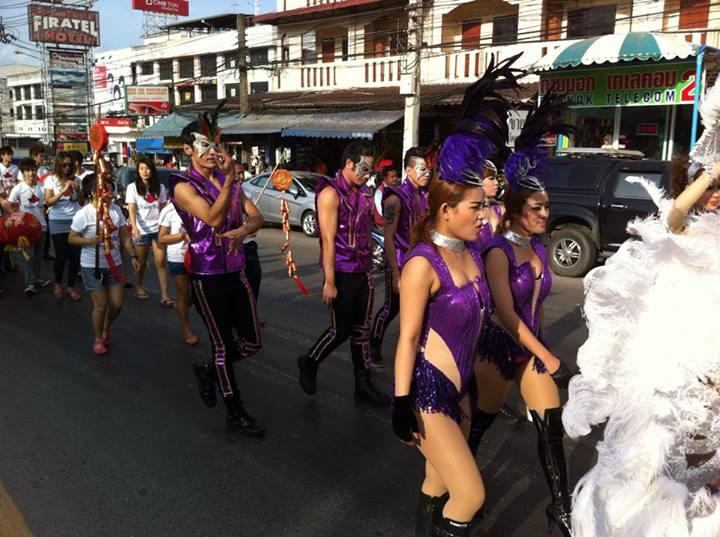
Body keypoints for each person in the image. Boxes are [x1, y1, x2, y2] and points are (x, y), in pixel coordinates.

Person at [562, 84, 720, 536]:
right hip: (679, 349)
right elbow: (676, 213)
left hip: (711, 351)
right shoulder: (682, 230)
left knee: (703, 451)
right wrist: (710, 172)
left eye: (719, 189)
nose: (714, 196)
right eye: (708, 189)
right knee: (661, 443)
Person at [392, 55, 521, 537]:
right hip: (428, 393)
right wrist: (400, 403)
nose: (484, 213)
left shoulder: (471, 253)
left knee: (439, 482)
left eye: (485, 204)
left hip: (460, 389)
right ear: (446, 210)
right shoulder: (422, 264)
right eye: (476, 206)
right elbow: (408, 339)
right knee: (470, 495)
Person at [470, 95, 574, 537]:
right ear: (515, 210)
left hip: (530, 349)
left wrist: (542, 346)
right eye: (537, 208)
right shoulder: (498, 251)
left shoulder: (536, 248)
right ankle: (459, 485)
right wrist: (547, 356)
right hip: (499, 347)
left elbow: (537, 304)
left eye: (547, 207)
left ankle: (561, 510)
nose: (546, 214)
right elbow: (506, 314)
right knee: (481, 423)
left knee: (551, 428)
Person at [170, 114, 265, 437]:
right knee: (222, 345)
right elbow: (211, 218)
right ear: (188, 149)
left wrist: (242, 230)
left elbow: (257, 217)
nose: (212, 151)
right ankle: (234, 410)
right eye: (204, 145)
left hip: (236, 269)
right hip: (207, 275)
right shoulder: (182, 186)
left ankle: (208, 370)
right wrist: (228, 182)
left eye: (215, 145)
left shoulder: (229, 182)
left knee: (252, 342)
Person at [296, 141, 390, 408]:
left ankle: (363, 385)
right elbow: (327, 239)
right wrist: (329, 281)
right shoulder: (330, 193)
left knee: (361, 331)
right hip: (341, 270)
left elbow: (369, 228)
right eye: (363, 168)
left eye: (370, 170)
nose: (366, 175)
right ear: (349, 163)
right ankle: (310, 361)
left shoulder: (365, 193)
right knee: (340, 330)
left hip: (363, 270)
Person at [369, 148, 430, 368]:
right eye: (422, 169)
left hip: (421, 262)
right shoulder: (395, 198)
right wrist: (395, 272)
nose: (427, 174)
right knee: (391, 308)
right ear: (409, 170)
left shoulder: (424, 196)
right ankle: (373, 344)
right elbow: (388, 237)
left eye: (428, 169)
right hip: (401, 261)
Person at [69, 174, 140, 355]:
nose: (111, 194)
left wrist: (133, 255)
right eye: (106, 190)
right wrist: (88, 240)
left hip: (114, 264)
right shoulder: (83, 214)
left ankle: (105, 327)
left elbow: (124, 235)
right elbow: (72, 238)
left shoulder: (115, 210)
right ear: (95, 193)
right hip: (91, 266)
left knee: (117, 305)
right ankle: (98, 338)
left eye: (111, 190)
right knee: (100, 306)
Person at [125, 157, 173, 306]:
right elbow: (132, 209)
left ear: (152, 170)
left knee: (160, 262)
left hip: (158, 230)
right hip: (142, 230)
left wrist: (166, 227)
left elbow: (164, 208)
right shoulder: (132, 188)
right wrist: (134, 228)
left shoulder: (161, 187)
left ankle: (164, 295)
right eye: (141, 169)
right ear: (138, 171)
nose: (145, 172)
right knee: (142, 261)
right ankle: (139, 286)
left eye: (147, 168)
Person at [7, 158, 52, 296]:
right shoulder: (18, 188)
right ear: (23, 172)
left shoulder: (42, 187)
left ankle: (37, 279)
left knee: (38, 256)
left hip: (41, 227)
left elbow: (48, 203)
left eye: (33, 170)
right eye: (27, 170)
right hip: (26, 230)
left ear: (36, 170)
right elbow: (9, 203)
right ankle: (29, 284)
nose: (31, 173)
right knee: (28, 256)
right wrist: (16, 216)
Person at [158, 202, 199, 346]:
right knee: (183, 293)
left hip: (200, 256)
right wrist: (182, 235)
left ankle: (180, 305)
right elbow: (162, 238)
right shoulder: (169, 210)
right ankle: (186, 330)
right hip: (178, 257)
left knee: (199, 294)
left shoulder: (199, 204)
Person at [44, 151, 83, 301]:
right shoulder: (51, 179)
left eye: (70, 165)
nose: (67, 168)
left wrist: (78, 190)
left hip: (74, 221)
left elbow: (81, 202)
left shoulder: (77, 179)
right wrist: (63, 191)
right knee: (60, 256)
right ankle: (58, 283)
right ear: (58, 165)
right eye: (64, 165)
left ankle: (71, 287)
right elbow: (48, 202)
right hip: (57, 221)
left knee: (75, 256)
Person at [234, 161, 262, 301]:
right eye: (237, 173)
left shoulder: (246, 193)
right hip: (231, 249)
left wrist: (249, 228)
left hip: (248, 245)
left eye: (242, 173)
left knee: (253, 283)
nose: (241, 177)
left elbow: (257, 218)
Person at [0, 146, 20, 215]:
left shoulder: (15, 168)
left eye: (11, 154)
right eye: (8, 154)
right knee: (4, 203)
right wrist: (5, 196)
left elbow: (19, 181)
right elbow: (0, 185)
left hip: (14, 195)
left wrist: (14, 186)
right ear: (2, 156)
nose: (11, 156)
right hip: (2, 195)